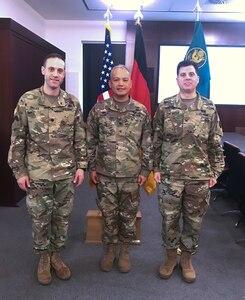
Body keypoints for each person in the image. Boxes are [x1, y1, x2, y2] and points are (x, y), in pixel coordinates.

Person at [8, 53, 87, 285]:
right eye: (51, 69)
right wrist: (19, 171)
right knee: (41, 218)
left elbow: (79, 137)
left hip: (65, 174)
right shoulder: (28, 100)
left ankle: (56, 256)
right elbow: (17, 138)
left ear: (63, 74)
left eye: (60, 71)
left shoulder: (72, 103)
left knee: (62, 218)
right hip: (37, 173)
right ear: (43, 71)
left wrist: (81, 166)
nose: (55, 74)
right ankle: (43, 258)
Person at [153, 60, 224, 283]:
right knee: (169, 220)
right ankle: (170, 257)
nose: (187, 77)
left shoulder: (208, 108)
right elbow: (156, 140)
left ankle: (186, 260)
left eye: (191, 74)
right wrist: (155, 168)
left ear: (197, 79)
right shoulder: (165, 106)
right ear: (177, 79)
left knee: (193, 220)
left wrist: (216, 171)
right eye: (182, 74)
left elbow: (215, 142)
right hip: (170, 176)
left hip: (199, 177)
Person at [86, 65, 152, 273]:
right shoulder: (99, 109)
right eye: (116, 80)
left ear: (131, 83)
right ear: (110, 83)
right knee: (109, 214)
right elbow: (90, 140)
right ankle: (110, 250)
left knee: (128, 215)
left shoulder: (141, 111)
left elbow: (148, 143)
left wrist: (144, 171)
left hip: (131, 176)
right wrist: (91, 167)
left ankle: (124, 250)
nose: (121, 84)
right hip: (105, 174)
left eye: (124, 80)